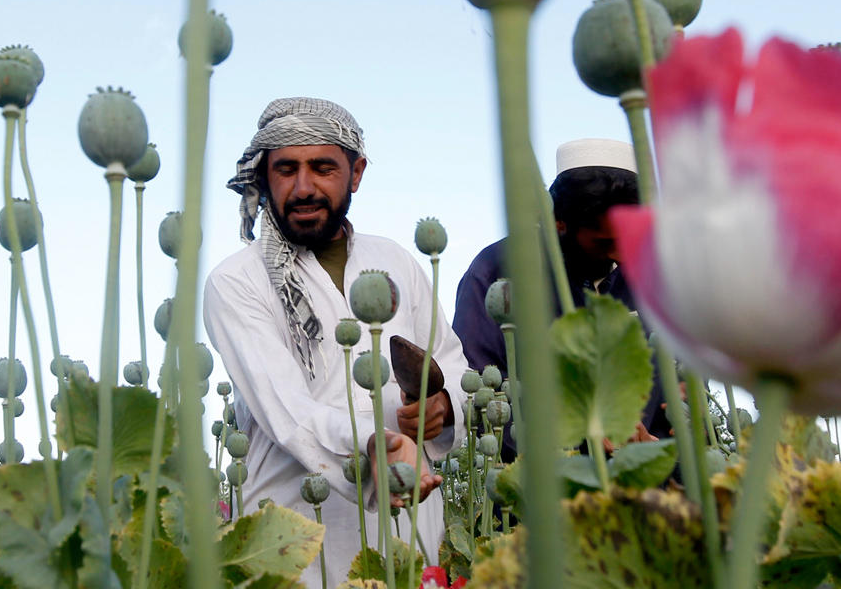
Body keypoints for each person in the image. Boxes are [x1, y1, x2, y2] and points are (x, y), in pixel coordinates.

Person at [203, 97, 469, 588]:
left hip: (410, 528)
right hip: (292, 538)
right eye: (286, 169)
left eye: (322, 167)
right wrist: (373, 442)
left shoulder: (396, 261)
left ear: (356, 172)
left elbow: (451, 360)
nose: (303, 187)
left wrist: (445, 406)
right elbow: (288, 411)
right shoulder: (236, 281)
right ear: (264, 177)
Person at [453, 138, 672, 455]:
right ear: (559, 224)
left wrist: (658, 449)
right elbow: (477, 392)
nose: (620, 254)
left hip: (648, 493)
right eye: (602, 242)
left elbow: (681, 392)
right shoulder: (499, 272)